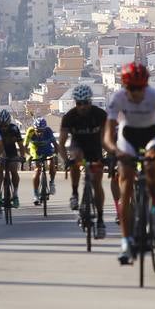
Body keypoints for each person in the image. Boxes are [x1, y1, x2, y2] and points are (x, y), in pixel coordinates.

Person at [106, 63, 155, 264]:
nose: (136, 93)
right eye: (132, 88)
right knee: (126, 184)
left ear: (146, 85)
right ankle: (126, 242)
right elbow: (108, 135)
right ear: (125, 86)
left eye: (140, 88)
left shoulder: (154, 97)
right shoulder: (118, 98)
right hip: (128, 136)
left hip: (153, 135)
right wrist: (116, 151)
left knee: (151, 165)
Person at [59, 85, 108, 239]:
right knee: (76, 159)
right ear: (75, 103)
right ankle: (74, 193)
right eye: (79, 103)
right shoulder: (69, 117)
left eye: (85, 102)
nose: (83, 106)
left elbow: (107, 138)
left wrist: (110, 155)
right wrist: (66, 161)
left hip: (95, 148)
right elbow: (61, 143)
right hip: (77, 146)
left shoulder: (100, 114)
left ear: (90, 101)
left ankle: (100, 219)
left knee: (97, 183)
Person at [24, 116, 59, 204]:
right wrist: (28, 156)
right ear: (34, 129)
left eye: (41, 130)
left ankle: (52, 182)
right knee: (37, 170)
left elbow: (55, 145)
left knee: (51, 163)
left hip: (47, 149)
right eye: (37, 130)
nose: (39, 133)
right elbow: (24, 147)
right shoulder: (30, 131)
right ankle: (36, 194)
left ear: (45, 129)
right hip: (35, 150)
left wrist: (55, 155)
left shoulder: (48, 131)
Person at [0, 110, 24, 209]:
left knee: (14, 171)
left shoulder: (14, 128)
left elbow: (20, 144)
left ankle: (15, 195)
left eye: (5, 126)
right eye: (1, 125)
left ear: (9, 123)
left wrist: (22, 156)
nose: (3, 128)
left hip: (11, 152)